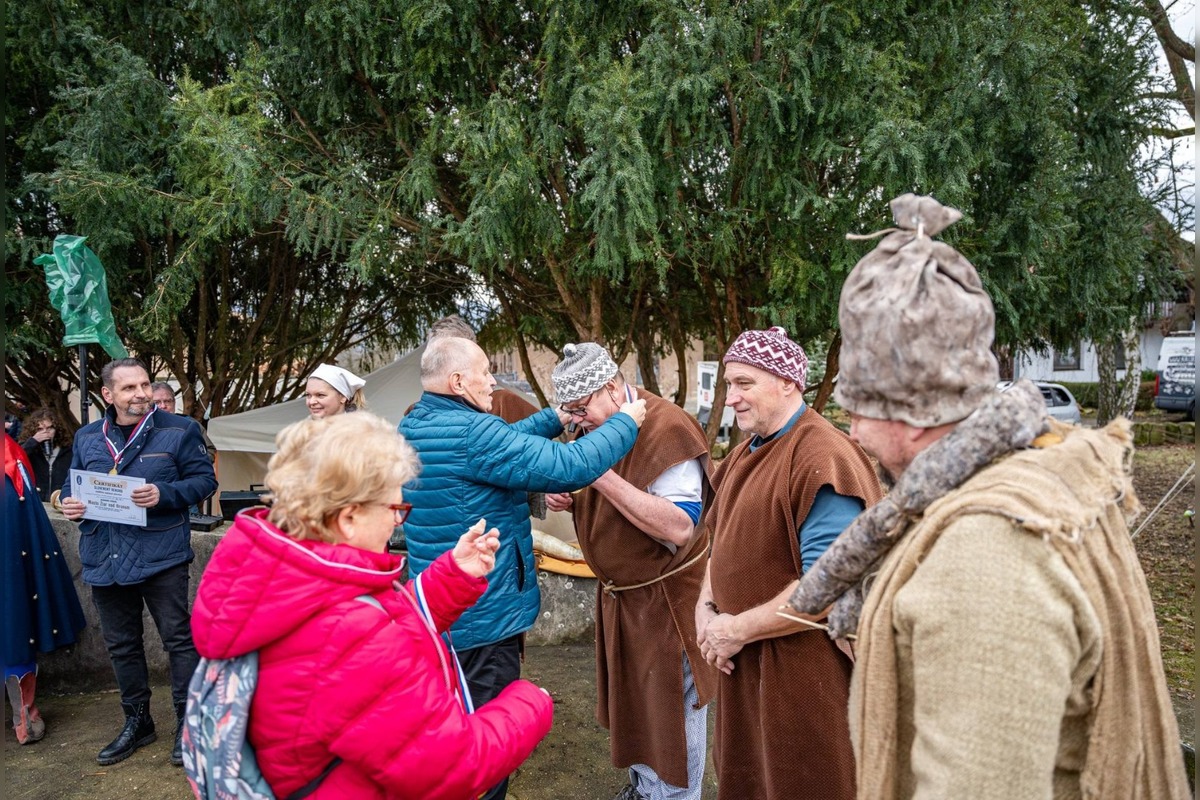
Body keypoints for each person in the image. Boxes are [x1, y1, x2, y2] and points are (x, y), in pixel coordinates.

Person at [787, 193, 1191, 799]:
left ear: (913, 413)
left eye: (859, 409)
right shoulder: (1047, 465)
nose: (855, 433)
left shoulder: (986, 553)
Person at [190, 412, 553, 799]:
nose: (397, 523)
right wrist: (529, 702)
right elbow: (448, 766)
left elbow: (378, 623)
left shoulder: (287, 572)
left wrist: (452, 577)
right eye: (394, 510)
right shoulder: (348, 633)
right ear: (348, 518)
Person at [400, 335, 646, 800]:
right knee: (487, 746)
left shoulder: (419, 423)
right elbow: (569, 466)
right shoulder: (473, 434)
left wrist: (556, 417)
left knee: (452, 731)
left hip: (446, 613)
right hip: (485, 618)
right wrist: (627, 424)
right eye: (484, 371)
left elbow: (507, 445)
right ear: (457, 381)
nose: (493, 379)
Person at [694, 327, 882, 800]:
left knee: (806, 781)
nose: (731, 397)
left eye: (744, 384)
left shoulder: (820, 454)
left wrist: (735, 631)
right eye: (728, 384)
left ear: (787, 383)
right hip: (745, 666)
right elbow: (720, 545)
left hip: (802, 673)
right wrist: (706, 613)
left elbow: (828, 585)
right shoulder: (743, 454)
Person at [546, 343, 717, 800]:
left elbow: (680, 525)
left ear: (611, 388)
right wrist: (567, 493)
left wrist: (596, 472)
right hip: (624, 598)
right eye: (570, 412)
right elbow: (604, 500)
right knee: (637, 707)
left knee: (673, 717)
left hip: (667, 602)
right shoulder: (592, 426)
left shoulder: (667, 428)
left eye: (581, 408)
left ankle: (677, 798)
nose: (577, 420)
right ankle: (647, 789)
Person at [59, 357, 217, 767]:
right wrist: (67, 502)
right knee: (122, 645)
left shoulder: (180, 430)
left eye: (144, 385)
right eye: (129, 388)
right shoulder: (88, 436)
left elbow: (205, 480)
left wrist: (163, 494)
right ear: (108, 395)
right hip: (103, 554)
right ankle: (138, 722)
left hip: (160, 553)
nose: (141, 394)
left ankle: (189, 725)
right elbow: (71, 483)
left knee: (178, 641)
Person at [3, 433, 87, 744]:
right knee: (12, 607)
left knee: (12, 607)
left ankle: (23, 714)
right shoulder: (10, 453)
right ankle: (24, 716)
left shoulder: (11, 454)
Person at [21, 409, 70, 503]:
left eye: (50, 428)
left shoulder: (67, 450)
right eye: (39, 429)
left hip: (59, 501)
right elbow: (16, 460)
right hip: (36, 500)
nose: (45, 433)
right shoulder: (29, 448)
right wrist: (32, 442)